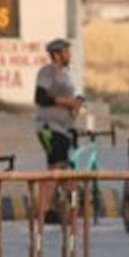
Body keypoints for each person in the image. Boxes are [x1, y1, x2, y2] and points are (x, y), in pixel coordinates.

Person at [35, 37, 84, 223]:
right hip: (49, 127)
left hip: (63, 129)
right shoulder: (48, 72)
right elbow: (41, 97)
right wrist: (66, 101)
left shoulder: (65, 76)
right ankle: (43, 210)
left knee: (63, 167)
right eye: (66, 52)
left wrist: (75, 106)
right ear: (56, 54)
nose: (69, 55)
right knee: (55, 168)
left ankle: (57, 210)